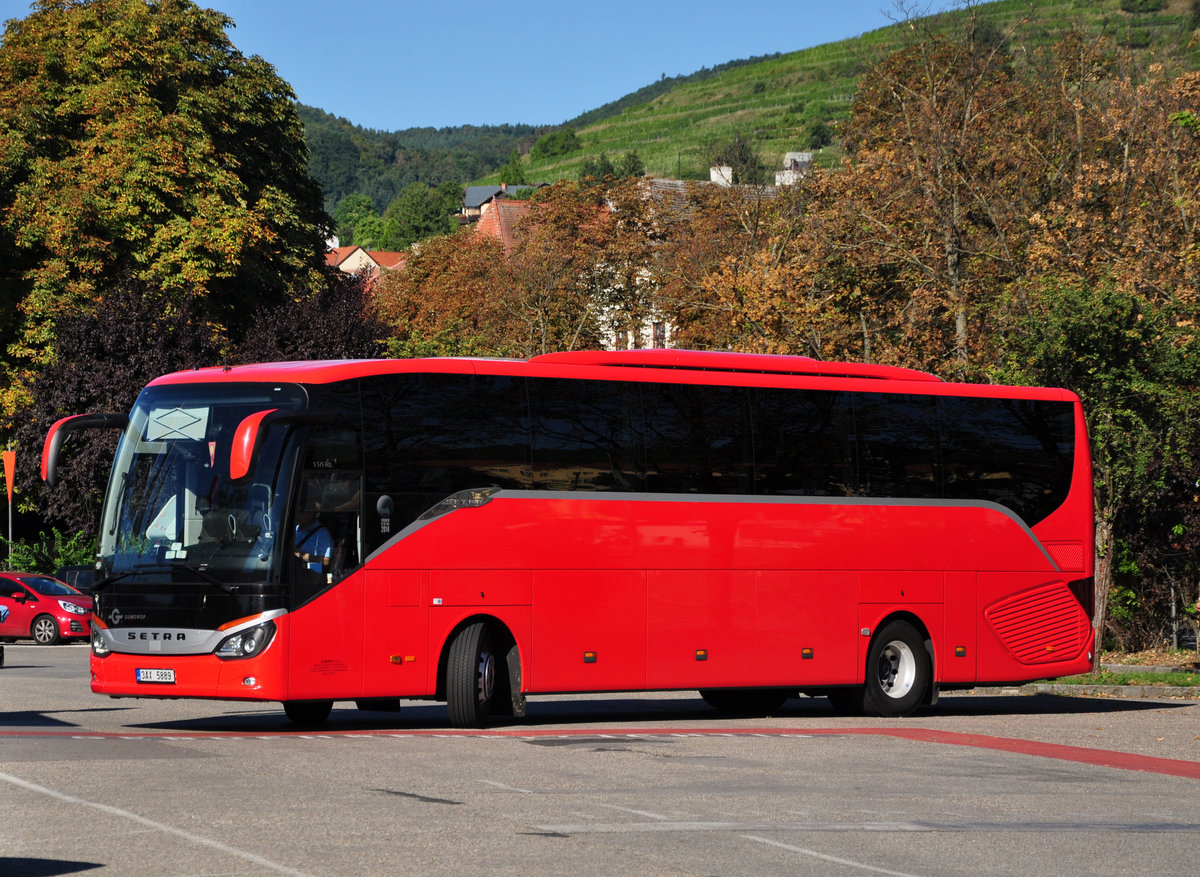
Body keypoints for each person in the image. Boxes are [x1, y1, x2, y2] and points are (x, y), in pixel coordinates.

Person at [293, 499, 332, 575]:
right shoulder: (296, 529)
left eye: (300, 512)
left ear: (311, 513)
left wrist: (301, 555)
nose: (297, 515)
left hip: (312, 576)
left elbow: (326, 561)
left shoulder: (322, 533)